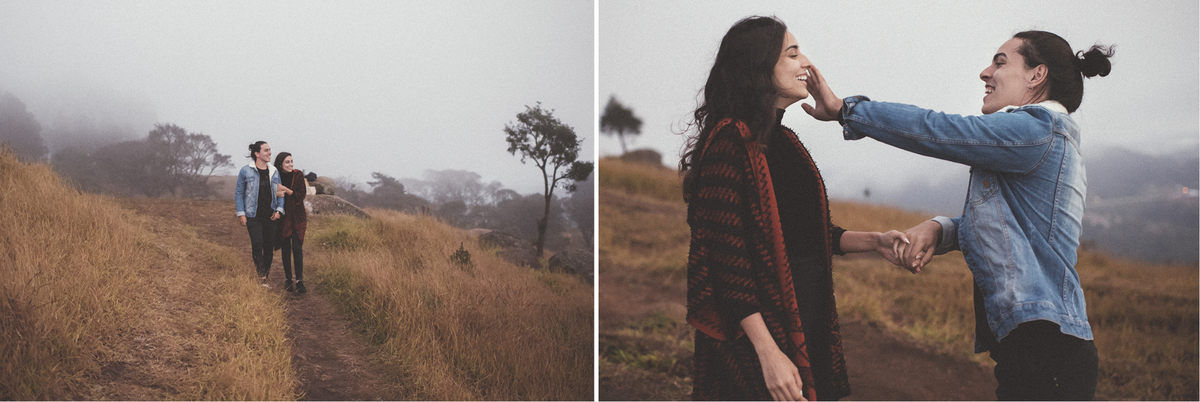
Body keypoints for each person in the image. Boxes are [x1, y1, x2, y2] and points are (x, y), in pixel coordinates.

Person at [802, 30, 1113, 400]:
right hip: (1039, 346)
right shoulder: (1043, 138)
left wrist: (845, 110)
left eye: (1000, 62)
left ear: (1037, 75)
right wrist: (941, 229)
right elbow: (1014, 229)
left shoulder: (1036, 131)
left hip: (1047, 349)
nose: (985, 72)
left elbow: (936, 129)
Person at [681, 16, 909, 401]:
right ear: (757, 64)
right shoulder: (729, 142)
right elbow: (727, 261)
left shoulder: (785, 143)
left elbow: (804, 233)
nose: (807, 63)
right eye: (792, 53)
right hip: (756, 331)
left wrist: (874, 241)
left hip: (805, 312)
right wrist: (767, 352)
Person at [235, 141, 284, 287]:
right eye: (266, 150)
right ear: (257, 154)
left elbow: (280, 192)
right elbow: (239, 193)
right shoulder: (245, 171)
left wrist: (279, 210)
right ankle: (260, 274)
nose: (269, 153)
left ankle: (264, 275)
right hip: (252, 215)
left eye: (270, 150)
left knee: (269, 247)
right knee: (257, 243)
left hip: (271, 215)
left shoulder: (274, 171)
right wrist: (241, 213)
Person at [273, 151, 309, 293]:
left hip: (297, 216)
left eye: (291, 161)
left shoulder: (298, 175)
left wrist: (286, 190)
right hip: (282, 216)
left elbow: (301, 196)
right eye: (287, 162)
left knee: (298, 248)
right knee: (286, 248)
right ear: (280, 164)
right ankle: (288, 280)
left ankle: (299, 281)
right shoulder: (276, 176)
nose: (290, 164)